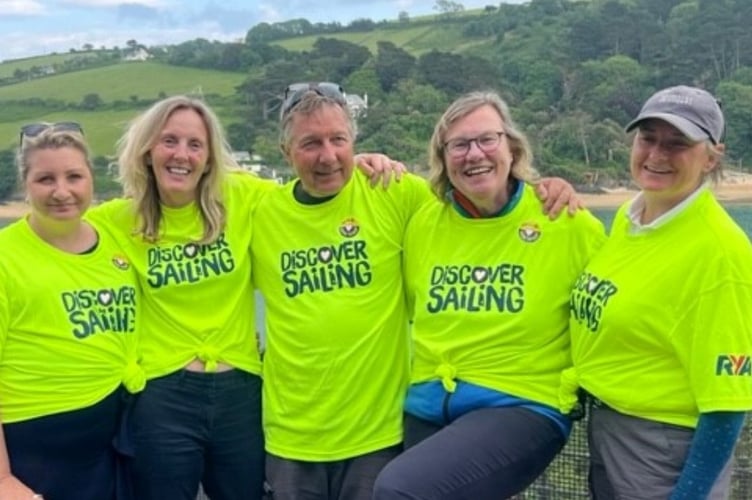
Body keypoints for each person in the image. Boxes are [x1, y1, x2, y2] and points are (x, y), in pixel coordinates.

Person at [252, 83, 583, 500]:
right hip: (290, 436)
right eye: (310, 143)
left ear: (354, 142)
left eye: (339, 140)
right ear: (286, 153)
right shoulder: (259, 211)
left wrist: (544, 189)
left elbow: (479, 200)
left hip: (380, 431)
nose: (328, 156)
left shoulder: (394, 192)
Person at [369, 91, 605, 499]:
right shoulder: (423, 221)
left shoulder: (563, 221)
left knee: (399, 489)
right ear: (442, 158)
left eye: (486, 140)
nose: (473, 154)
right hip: (429, 401)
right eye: (458, 145)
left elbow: (612, 307)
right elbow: (353, 187)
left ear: (512, 147)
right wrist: (360, 161)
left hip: (521, 404)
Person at [568, 85, 752, 499]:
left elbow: (728, 402)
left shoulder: (719, 253)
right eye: (648, 138)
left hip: (662, 450)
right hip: (609, 428)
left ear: (712, 157)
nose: (656, 154)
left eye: (678, 144)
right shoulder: (629, 218)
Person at [86, 96, 275, 500]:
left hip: (241, 392)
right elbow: (49, 234)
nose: (181, 155)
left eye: (195, 145)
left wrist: (371, 165)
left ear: (209, 159)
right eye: (169, 140)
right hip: (161, 395)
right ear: (148, 150)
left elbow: (311, 191)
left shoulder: (242, 198)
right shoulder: (115, 221)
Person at [0, 122, 144, 500]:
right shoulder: (5, 257)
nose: (62, 191)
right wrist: (2, 480)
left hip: (114, 441)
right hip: (37, 451)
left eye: (74, 176)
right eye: (45, 178)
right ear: (25, 183)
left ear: (91, 180)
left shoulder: (115, 238)